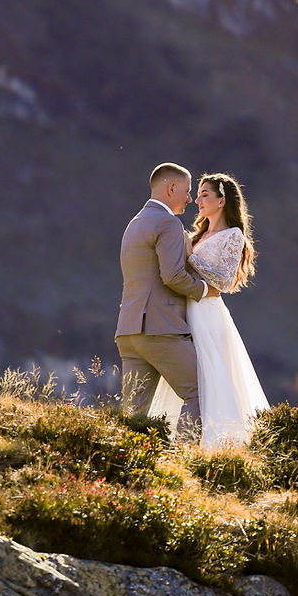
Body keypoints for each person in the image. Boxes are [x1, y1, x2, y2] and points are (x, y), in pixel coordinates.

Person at [149, 172, 269, 448]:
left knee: (210, 376)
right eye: (198, 194)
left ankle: (216, 444)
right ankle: (176, 442)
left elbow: (225, 280)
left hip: (208, 315)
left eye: (205, 195)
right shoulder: (198, 235)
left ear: (221, 201)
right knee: (187, 376)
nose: (197, 200)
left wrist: (190, 255)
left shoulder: (233, 236)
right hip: (186, 311)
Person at [115, 162, 219, 439]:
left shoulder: (135, 223)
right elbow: (172, 276)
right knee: (202, 390)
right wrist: (205, 289)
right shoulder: (168, 223)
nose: (190, 199)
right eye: (187, 191)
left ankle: (123, 459)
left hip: (129, 331)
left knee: (133, 413)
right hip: (160, 328)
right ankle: (184, 456)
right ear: (171, 188)